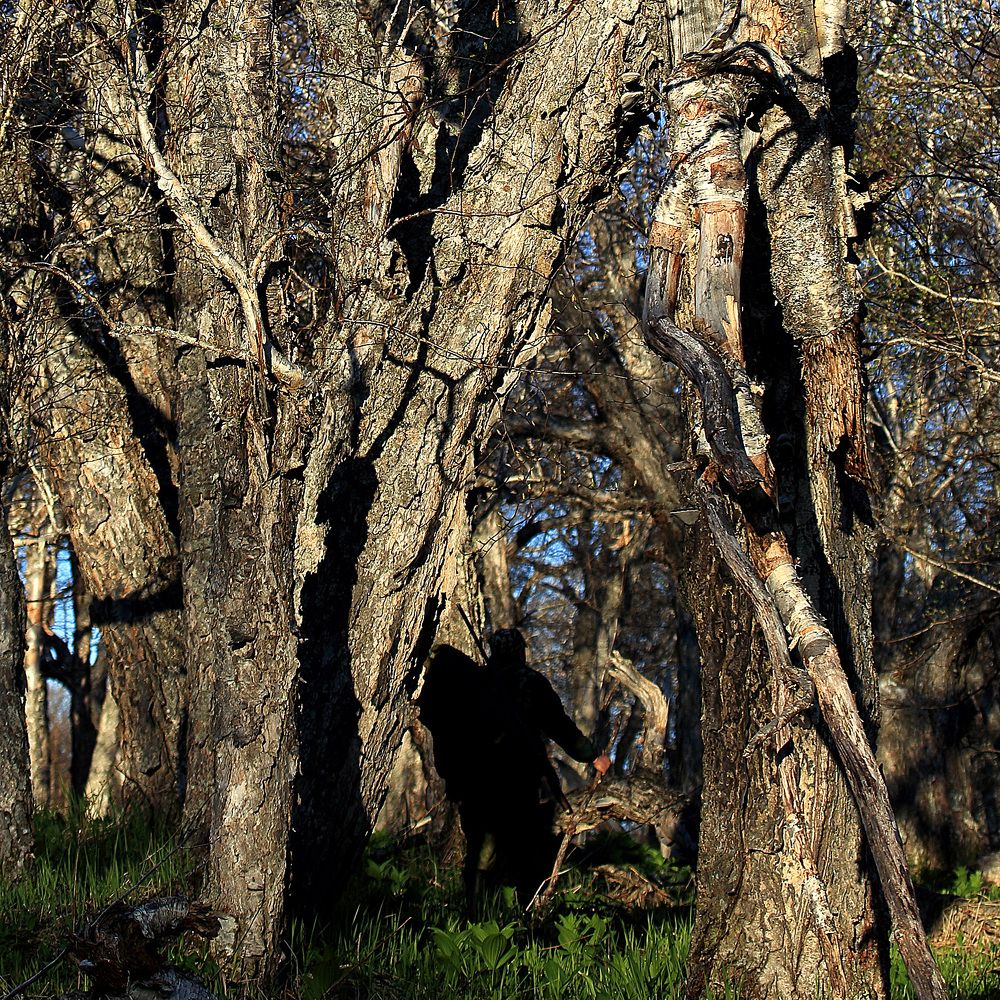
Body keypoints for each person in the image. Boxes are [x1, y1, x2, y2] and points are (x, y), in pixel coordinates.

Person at [419, 629, 611, 909]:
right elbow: (560, 727)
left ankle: (477, 914)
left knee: (480, 852)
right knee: (524, 852)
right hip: (518, 783)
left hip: (476, 785)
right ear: (521, 652)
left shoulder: (474, 682)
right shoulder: (529, 683)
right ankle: (524, 916)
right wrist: (592, 756)